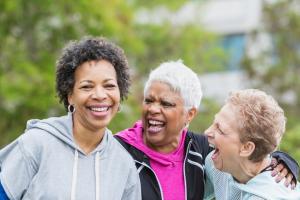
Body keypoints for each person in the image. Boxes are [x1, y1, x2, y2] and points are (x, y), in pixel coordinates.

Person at [115, 60, 299, 200]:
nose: (208, 132)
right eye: (148, 100)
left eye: (220, 129)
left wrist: (284, 162)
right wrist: (281, 159)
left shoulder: (270, 194)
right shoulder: (219, 165)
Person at [0, 37, 141, 200]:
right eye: (87, 86)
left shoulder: (123, 164)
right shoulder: (36, 144)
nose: (100, 95)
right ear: (70, 96)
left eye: (109, 86)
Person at [204, 89, 300, 199]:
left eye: (220, 130)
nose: (207, 132)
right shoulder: (216, 164)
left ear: (246, 148)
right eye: (214, 123)